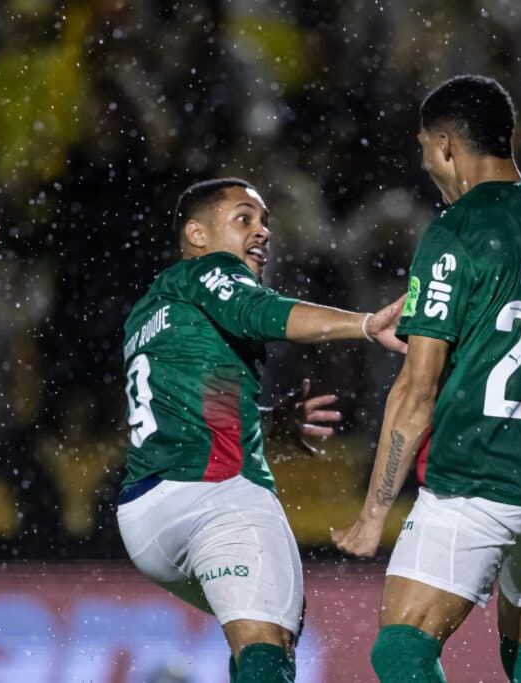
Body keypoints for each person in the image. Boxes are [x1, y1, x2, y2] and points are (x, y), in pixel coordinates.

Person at [333, 75, 521, 683]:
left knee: (403, 649)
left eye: (423, 150)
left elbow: (417, 388)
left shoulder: (456, 232)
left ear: (445, 146)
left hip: (484, 471)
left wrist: (374, 513)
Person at [115, 177, 406, 683]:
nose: (262, 231)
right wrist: (364, 324)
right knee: (269, 641)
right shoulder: (212, 272)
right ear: (197, 235)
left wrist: (266, 419)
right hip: (212, 496)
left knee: (259, 626)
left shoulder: (148, 310)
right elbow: (262, 312)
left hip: (145, 520)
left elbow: (188, 403)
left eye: (265, 221)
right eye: (243, 218)